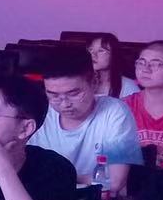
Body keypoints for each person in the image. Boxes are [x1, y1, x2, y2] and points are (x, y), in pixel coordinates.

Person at [29, 47, 142, 192]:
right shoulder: (40, 111)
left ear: (94, 82)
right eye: (54, 95)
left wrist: (62, 177)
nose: (64, 104)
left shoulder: (115, 112)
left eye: (73, 94)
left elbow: (115, 181)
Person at [88, 33, 137, 98]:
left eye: (101, 50)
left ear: (113, 55)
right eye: (90, 50)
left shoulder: (127, 85)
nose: (93, 55)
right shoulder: (83, 82)